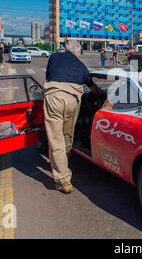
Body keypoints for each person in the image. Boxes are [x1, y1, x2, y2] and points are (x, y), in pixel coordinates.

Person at [44, 40, 102, 194]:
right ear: (78, 53)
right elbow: (93, 88)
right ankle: (63, 163)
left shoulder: (54, 57)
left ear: (65, 49)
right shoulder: (81, 66)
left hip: (54, 97)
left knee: (56, 139)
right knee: (67, 135)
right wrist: (103, 94)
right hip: (73, 99)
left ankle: (63, 179)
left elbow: (49, 79)